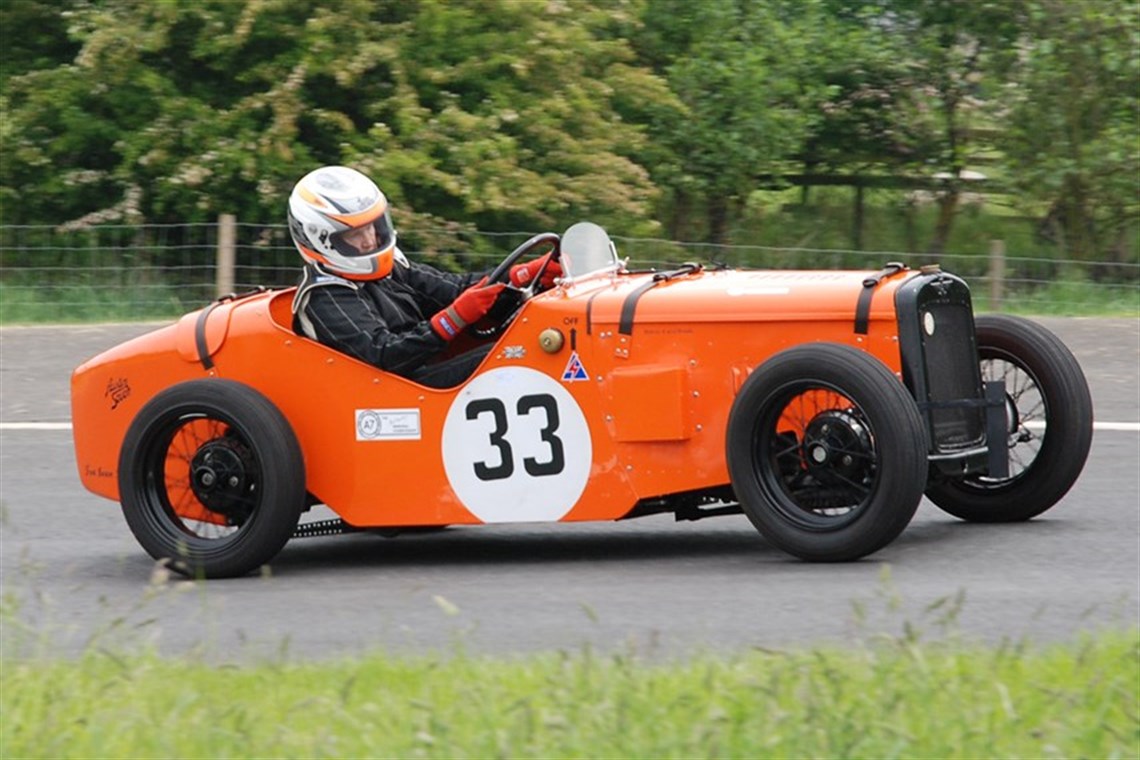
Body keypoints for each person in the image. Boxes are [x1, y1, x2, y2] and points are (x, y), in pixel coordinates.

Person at [288, 166, 560, 387]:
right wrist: (454, 318)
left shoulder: (392, 268)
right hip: (395, 390)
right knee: (518, 356)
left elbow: (455, 289)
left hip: (421, 374)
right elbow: (384, 353)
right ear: (320, 241)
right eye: (354, 235)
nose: (370, 240)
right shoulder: (324, 296)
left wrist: (523, 273)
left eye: (373, 227)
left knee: (529, 341)